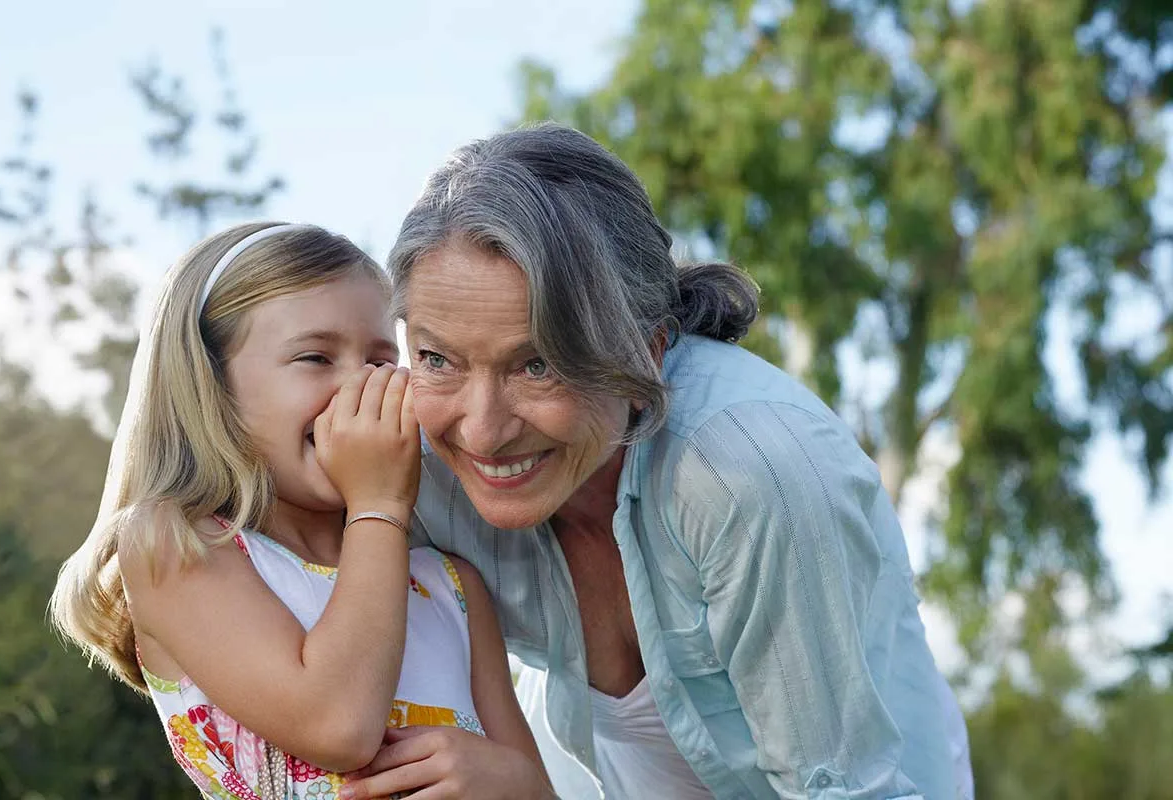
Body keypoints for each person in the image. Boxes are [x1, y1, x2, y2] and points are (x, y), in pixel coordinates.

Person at [355, 123, 976, 799]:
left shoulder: (749, 475)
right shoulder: (407, 460)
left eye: (538, 364)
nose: (481, 430)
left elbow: (844, 790)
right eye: (438, 359)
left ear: (646, 351)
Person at [50, 223, 551, 800]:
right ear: (214, 388)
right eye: (316, 357)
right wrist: (380, 505)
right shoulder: (175, 543)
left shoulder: (453, 588)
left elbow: (536, 788)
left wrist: (519, 785)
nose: (358, 387)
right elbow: (339, 725)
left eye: (383, 360)